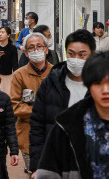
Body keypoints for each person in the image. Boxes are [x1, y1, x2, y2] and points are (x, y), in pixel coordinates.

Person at [29, 29, 96, 175]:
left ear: (92, 55)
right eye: (71, 54)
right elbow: (37, 126)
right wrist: (37, 165)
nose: (76, 59)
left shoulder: (100, 85)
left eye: (82, 54)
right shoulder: (51, 83)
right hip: (56, 162)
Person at [35, 51, 109, 179]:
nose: (105, 90)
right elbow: (47, 173)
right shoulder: (66, 126)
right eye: (98, 83)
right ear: (88, 85)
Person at [9, 32, 53, 175]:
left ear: (46, 49)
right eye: (31, 48)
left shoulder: (56, 72)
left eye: (39, 46)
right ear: (26, 53)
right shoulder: (19, 75)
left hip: (53, 134)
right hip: (28, 135)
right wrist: (42, 111)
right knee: (34, 173)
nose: (36, 50)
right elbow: (15, 105)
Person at [0, 26, 19, 95]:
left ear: (8, 35)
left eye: (2, 32)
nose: (0, 34)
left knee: (8, 95)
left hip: (8, 76)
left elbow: (15, 64)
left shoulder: (12, 48)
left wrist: (15, 77)